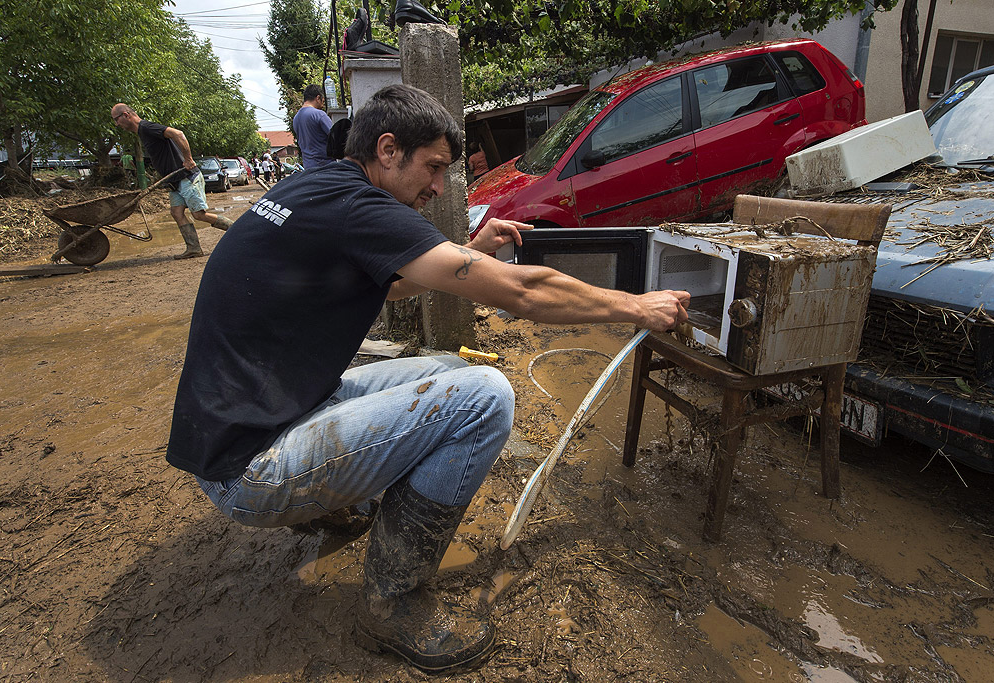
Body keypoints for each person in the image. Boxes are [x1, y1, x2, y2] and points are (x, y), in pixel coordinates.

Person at [165, 84, 689, 673]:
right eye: (434, 167)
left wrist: (466, 252)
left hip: (244, 428)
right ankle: (392, 603)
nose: (439, 187)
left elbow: (389, 282)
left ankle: (332, 506)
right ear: (388, 150)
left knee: (448, 369)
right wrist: (637, 306)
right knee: (486, 397)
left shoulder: (316, 189)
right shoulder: (360, 207)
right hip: (250, 470)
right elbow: (521, 292)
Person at [110, 104, 233, 258]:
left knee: (199, 214)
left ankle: (237, 230)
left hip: (186, 177)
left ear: (126, 115)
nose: (117, 124)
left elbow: (178, 134)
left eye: (116, 119)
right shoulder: (142, 132)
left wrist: (188, 159)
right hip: (175, 181)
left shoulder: (147, 127)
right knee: (176, 212)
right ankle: (193, 248)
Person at [292, 84, 334, 169]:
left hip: (308, 167)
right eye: (323, 100)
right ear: (318, 98)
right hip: (325, 167)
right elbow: (336, 136)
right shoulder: (319, 114)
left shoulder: (296, 118)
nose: (323, 104)